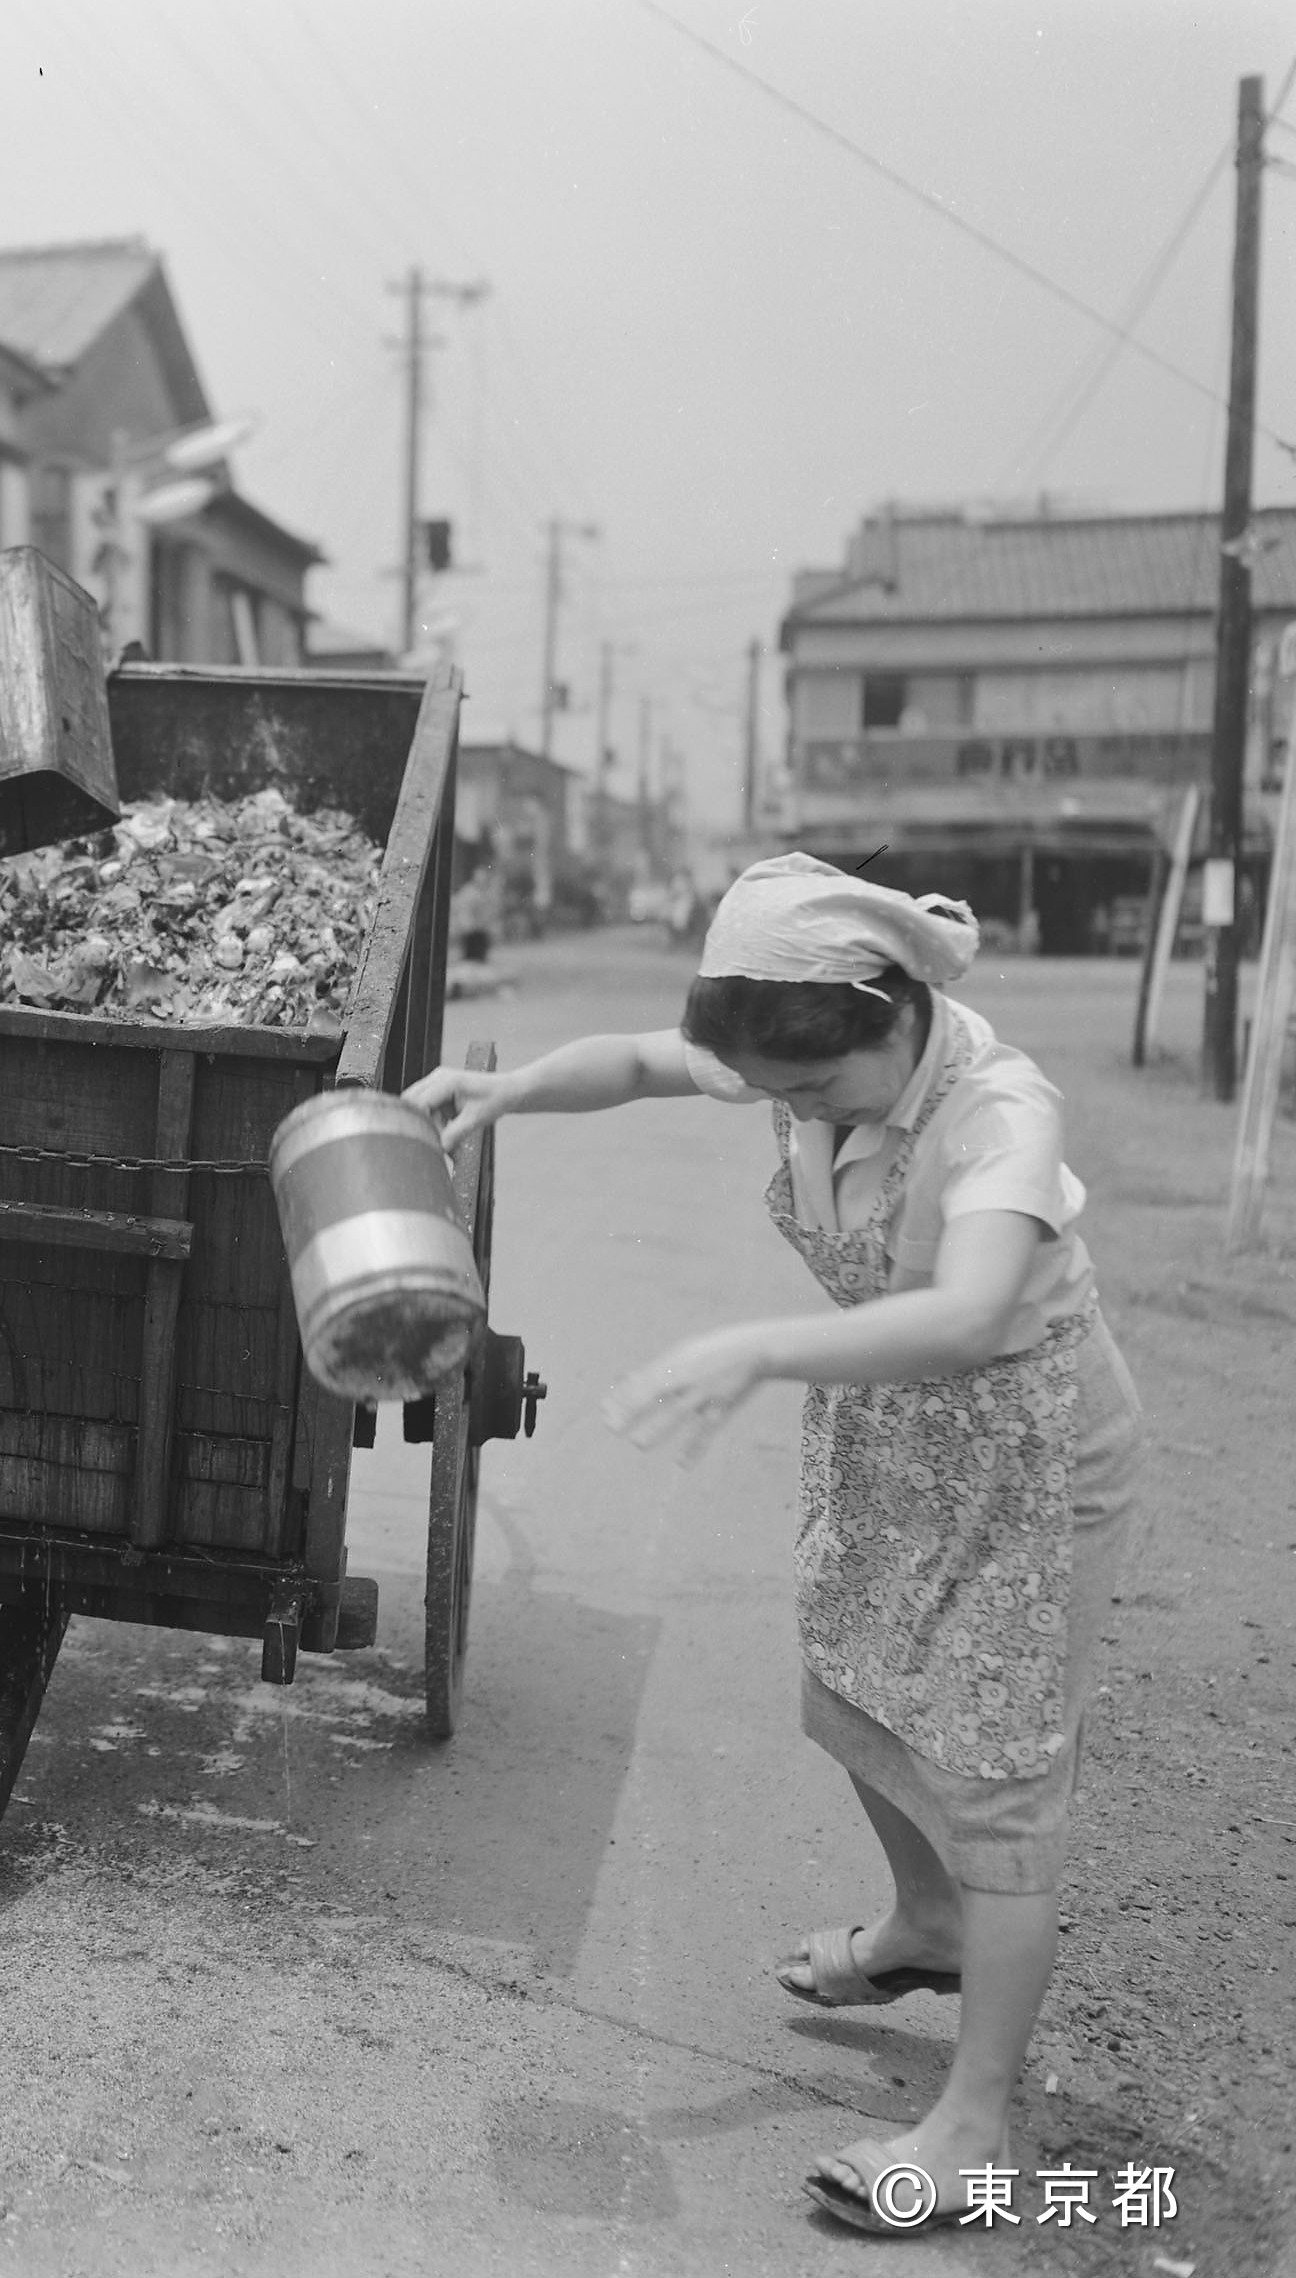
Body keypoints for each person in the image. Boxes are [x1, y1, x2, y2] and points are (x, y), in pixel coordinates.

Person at [406, 853, 1143, 2233]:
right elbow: (642, 1057)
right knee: (856, 1685)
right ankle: (923, 1925)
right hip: (901, 1431)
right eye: (780, 1091)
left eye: (816, 1091)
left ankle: (975, 2123)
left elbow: (978, 1308)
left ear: (894, 1018)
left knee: (997, 1767)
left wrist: (758, 1345)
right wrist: (505, 1091)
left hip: (1027, 1457)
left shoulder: (999, 1110)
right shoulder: (803, 1036)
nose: (792, 1109)